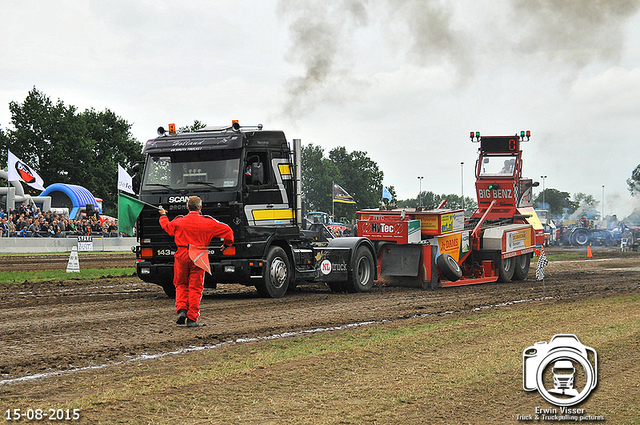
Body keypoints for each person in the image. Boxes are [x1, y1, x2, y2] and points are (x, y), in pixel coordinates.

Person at [159, 196, 234, 327]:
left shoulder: (179, 221)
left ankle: (182, 309)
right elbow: (228, 230)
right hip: (198, 255)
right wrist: (227, 244)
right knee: (196, 287)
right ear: (200, 207)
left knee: (180, 283)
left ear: (187, 207)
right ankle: (192, 318)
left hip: (182, 254)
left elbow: (167, 227)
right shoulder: (208, 222)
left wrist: (163, 215)